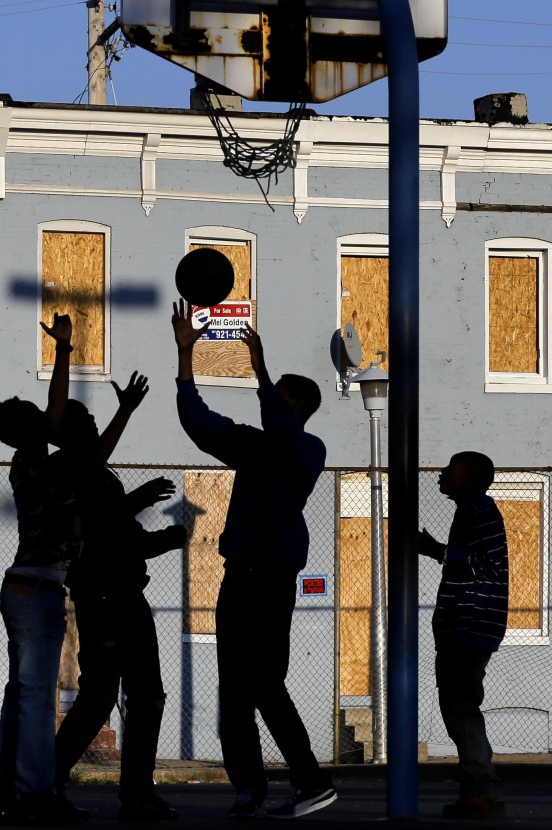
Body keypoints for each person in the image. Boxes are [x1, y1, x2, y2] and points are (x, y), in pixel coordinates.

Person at [170, 299, 337, 820]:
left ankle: (311, 781)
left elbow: (282, 427)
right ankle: (250, 788)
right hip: (238, 578)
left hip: (270, 580)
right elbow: (197, 421)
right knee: (235, 693)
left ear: (295, 407)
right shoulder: (253, 446)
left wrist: (260, 368)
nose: (267, 401)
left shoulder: (307, 450)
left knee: (264, 683)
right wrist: (184, 356)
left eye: (277, 398)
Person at [52, 382, 187, 822]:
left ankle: (136, 793)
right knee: (99, 697)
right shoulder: (67, 471)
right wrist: (139, 500)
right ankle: (48, 781)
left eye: (97, 422)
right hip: (104, 598)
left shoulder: (98, 473)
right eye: (87, 424)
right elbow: (98, 530)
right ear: (68, 434)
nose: (95, 428)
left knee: (145, 695)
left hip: (124, 594)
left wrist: (161, 541)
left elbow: (119, 537)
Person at [0, 313, 85, 825]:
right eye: (32, 411)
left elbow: (51, 412)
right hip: (36, 589)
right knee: (33, 697)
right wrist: (64, 354)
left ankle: (12, 789)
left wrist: (65, 350)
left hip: (30, 587)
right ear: (25, 428)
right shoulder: (36, 460)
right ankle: (34, 794)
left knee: (22, 694)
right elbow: (57, 419)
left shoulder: (33, 459)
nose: (44, 414)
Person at [418, 451, 509, 820]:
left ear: (468, 478)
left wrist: (436, 550)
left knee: (460, 708)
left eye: (450, 469)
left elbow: (491, 566)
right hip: (465, 625)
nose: (442, 473)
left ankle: (480, 791)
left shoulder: (479, 510)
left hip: (470, 625)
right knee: (459, 707)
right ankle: (478, 789)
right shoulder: (471, 510)